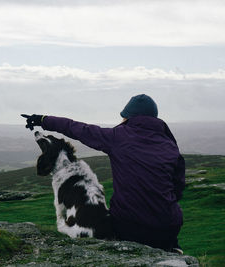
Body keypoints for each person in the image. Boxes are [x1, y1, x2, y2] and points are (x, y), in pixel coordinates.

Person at [22, 94, 185, 254]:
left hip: (131, 226)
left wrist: (42, 120)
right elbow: (177, 189)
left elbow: (77, 128)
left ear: (129, 117)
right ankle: (172, 246)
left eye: (123, 117)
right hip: (168, 227)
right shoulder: (170, 145)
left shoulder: (117, 137)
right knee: (167, 213)